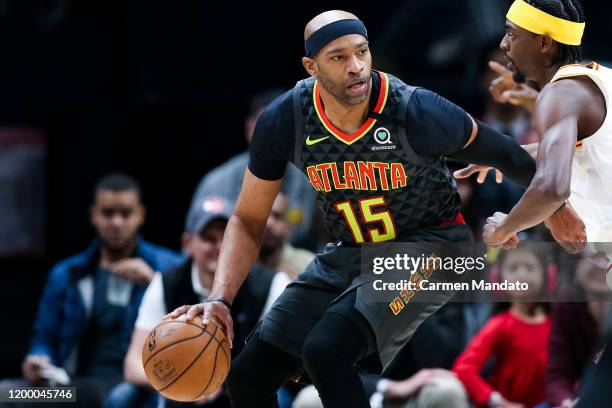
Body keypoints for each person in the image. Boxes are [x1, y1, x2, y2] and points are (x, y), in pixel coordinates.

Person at [167, 10, 580, 408]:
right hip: (349, 250)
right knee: (247, 376)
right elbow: (247, 218)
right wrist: (220, 298)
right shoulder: (286, 120)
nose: (356, 67)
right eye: (339, 57)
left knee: (327, 350)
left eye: (362, 51)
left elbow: (507, 153)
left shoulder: (415, 109)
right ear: (311, 67)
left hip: (433, 247)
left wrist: (557, 208)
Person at [0, 173, 182, 408]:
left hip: (139, 385)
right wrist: (39, 359)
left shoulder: (167, 268)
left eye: (125, 213)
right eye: (108, 213)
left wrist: (155, 283)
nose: (116, 222)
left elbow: (189, 320)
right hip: (76, 388)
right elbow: (44, 337)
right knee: (8, 394)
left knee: (121, 399)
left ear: (140, 215)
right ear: (94, 215)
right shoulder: (69, 274)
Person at [458, 0, 609, 251]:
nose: (503, 44)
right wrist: (504, 156)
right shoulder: (599, 78)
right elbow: (591, 150)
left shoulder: (559, 94)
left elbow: (551, 189)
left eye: (512, 34)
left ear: (544, 43)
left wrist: (504, 228)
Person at [106, 196, 281, 408]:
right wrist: (182, 379)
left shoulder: (271, 284)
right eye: (209, 238)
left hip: (244, 390)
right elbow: (133, 365)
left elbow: (276, 364)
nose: (218, 247)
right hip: (177, 392)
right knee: (122, 397)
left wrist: (215, 381)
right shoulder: (165, 283)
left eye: (225, 237)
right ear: (187, 244)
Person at [191, 90, 322, 252]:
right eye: (266, 126)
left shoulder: (314, 181)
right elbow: (194, 248)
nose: (276, 136)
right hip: (230, 265)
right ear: (249, 128)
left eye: (285, 127)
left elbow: (326, 243)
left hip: (294, 269)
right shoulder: (216, 184)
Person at [453, 245, 552, 408]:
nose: (522, 274)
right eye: (513, 268)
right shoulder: (499, 325)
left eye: (530, 267)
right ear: (497, 278)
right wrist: (497, 401)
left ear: (549, 275)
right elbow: (463, 369)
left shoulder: (558, 326)